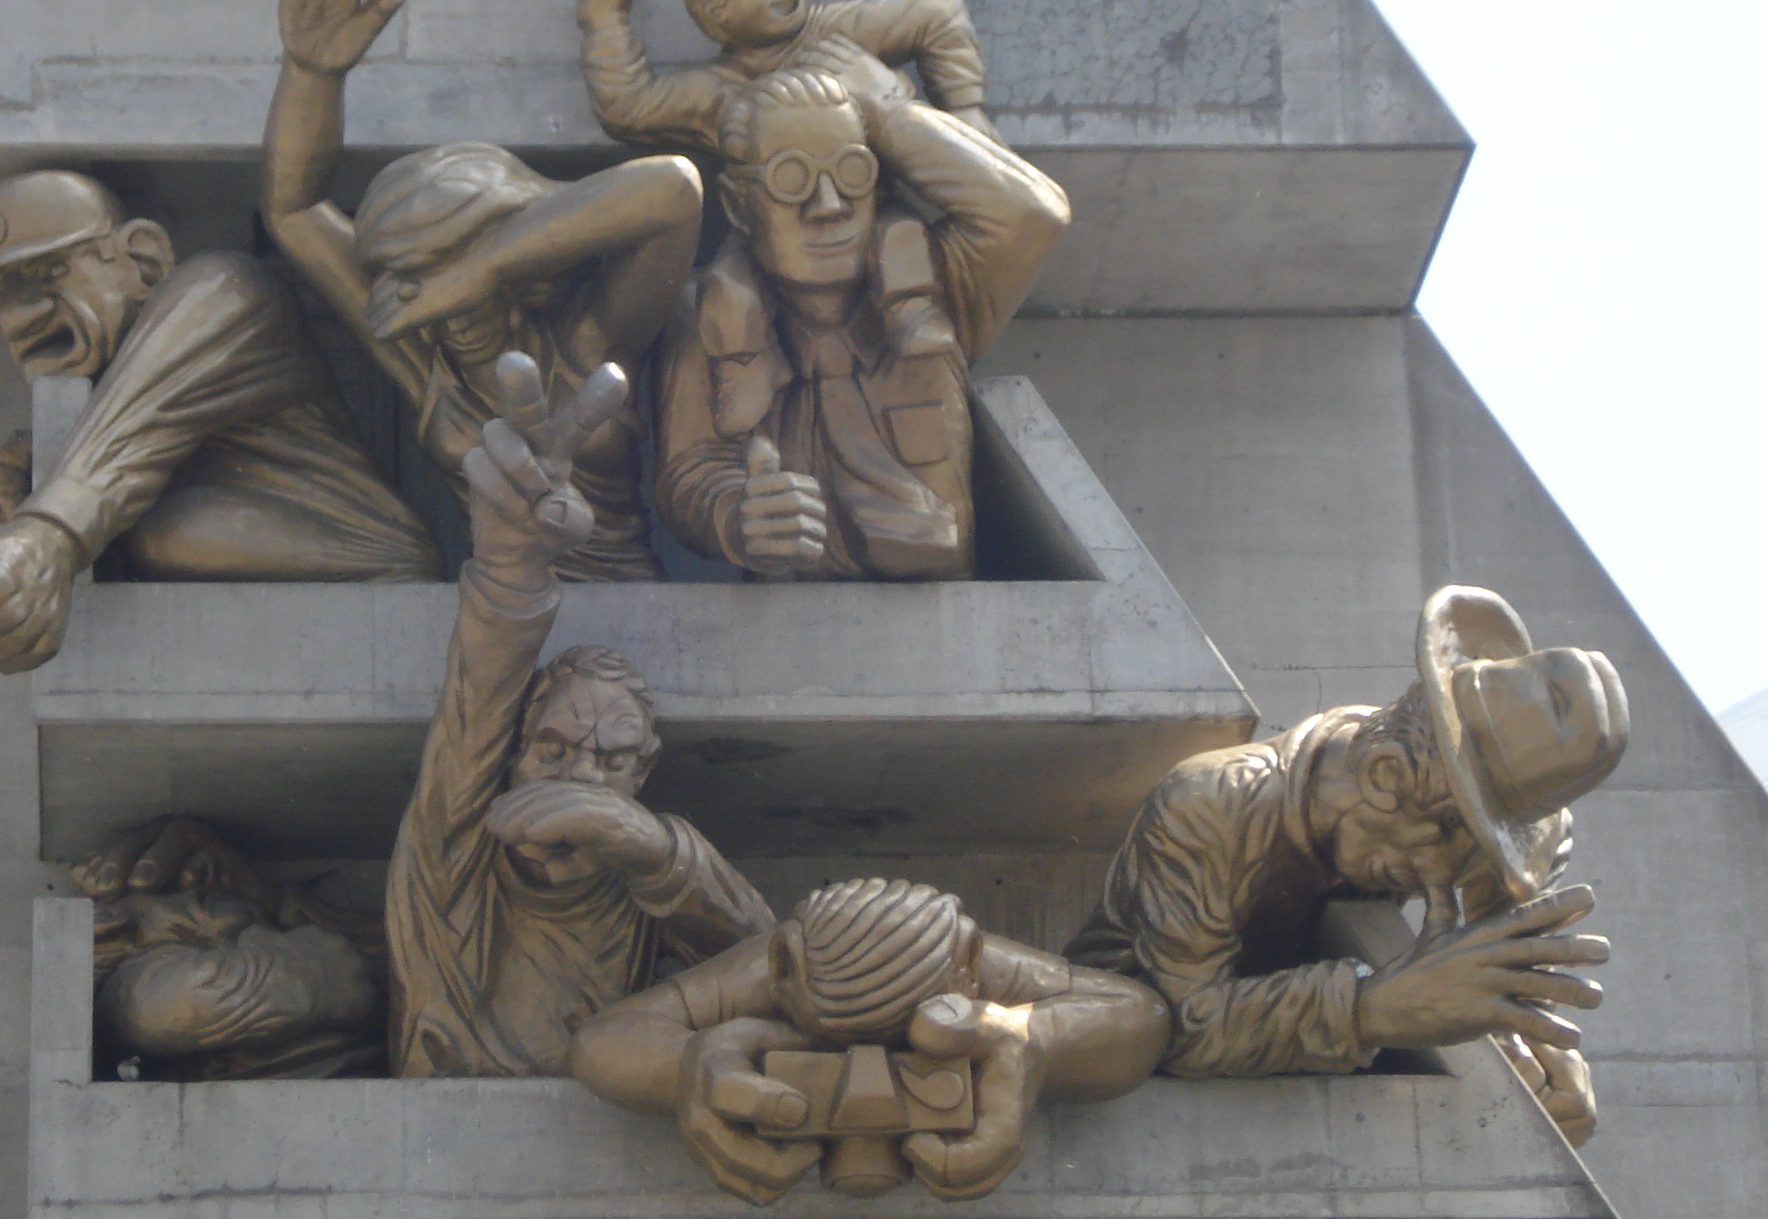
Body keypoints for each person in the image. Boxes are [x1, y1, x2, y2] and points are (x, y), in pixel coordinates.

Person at [1065, 585, 1630, 1146]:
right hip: (1109, 1089)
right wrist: (1372, 1008)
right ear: (1385, 774)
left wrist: (1542, 1053)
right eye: (1448, 833)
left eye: (1484, 846)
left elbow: (1516, 977)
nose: (1440, 881)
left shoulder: (1514, 833)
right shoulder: (1212, 801)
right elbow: (1180, 1026)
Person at [260, 0, 706, 581]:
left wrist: (480, 271)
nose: (447, 306)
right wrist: (311, 75)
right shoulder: (426, 359)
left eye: (450, 271)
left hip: (621, 601)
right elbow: (294, 212)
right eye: (414, 278)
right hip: (496, 602)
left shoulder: (585, 339)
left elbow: (674, 191)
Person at [386, 353, 774, 1077]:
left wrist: (649, 845)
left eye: (612, 761)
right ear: (512, 753)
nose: (580, 781)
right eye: (554, 750)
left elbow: (771, 961)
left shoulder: (643, 892)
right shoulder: (456, 853)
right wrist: (511, 565)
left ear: (643, 773)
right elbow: (481, 691)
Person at [0, 171, 441, 675]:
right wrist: (35, 461)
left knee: (161, 532)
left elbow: (135, 433)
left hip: (371, 562)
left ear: (145, 259)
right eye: (2, 292)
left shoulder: (221, 290)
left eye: (51, 273)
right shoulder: (112, 389)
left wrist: (41, 538)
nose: (21, 315)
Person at [654, 41, 1069, 580]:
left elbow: (1032, 214)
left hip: (940, 606)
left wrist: (889, 113)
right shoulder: (704, 312)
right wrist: (736, 516)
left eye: (852, 172)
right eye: (790, 179)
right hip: (784, 611)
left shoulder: (941, 287)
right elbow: (689, 469)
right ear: (737, 204)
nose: (828, 206)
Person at [571, 876, 1170, 1204]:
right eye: (835, 1056)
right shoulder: (775, 966)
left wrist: (1025, 1037)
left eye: (903, 1060)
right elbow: (605, 1040)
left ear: (968, 964)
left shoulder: (971, 961)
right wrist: (695, 1064)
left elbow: (1139, 1015)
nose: (870, 1089)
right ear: (784, 970)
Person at [576, 0, 1002, 154]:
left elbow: (938, 10)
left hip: (874, 212)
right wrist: (604, 15)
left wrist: (965, 109)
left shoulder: (837, 30)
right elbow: (627, 107)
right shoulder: (711, 89)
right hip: (772, 231)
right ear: (718, 12)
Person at [74, 816, 386, 1081]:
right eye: (176, 891)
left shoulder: (172, 963)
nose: (190, 881)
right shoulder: (147, 998)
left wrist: (268, 899)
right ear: (115, 923)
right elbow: (340, 974)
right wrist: (283, 911)